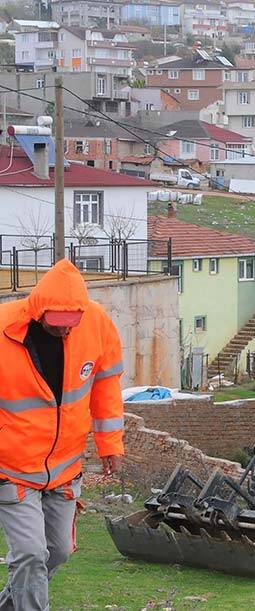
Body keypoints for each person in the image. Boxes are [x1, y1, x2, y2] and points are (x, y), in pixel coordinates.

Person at [0, 259, 125, 610]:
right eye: (57, 326)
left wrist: (110, 444)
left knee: (58, 552)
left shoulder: (96, 322)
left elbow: (106, 386)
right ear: (38, 312)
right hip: (12, 470)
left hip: (65, 471)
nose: (65, 333)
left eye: (71, 325)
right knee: (30, 555)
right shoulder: (3, 329)